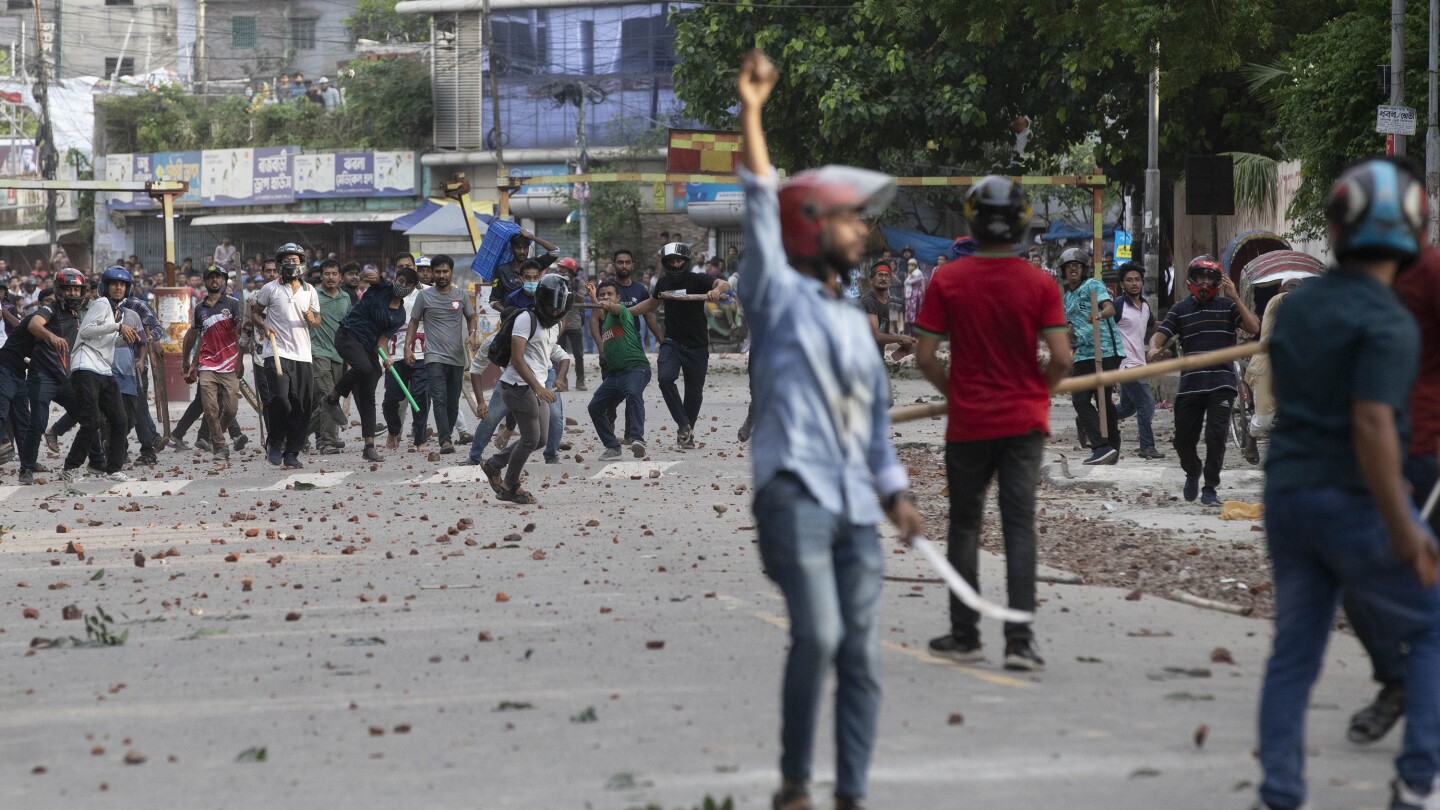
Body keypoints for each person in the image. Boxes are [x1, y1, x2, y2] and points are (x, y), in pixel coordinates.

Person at [735, 50, 923, 810]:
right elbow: (756, 199)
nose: (860, 229)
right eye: (847, 215)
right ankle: (793, 781)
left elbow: (874, 427)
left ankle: (849, 793)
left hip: (854, 508)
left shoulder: (856, 323)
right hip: (793, 495)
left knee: (862, 656)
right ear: (809, 226)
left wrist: (897, 492)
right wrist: (752, 111)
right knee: (816, 635)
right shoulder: (774, 293)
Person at [1255, 157, 1440, 810]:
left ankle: (1279, 793)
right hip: (1355, 499)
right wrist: (1404, 528)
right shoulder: (1389, 322)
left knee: (1295, 650)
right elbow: (1371, 425)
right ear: (1416, 237)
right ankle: (1417, 782)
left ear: (1333, 230)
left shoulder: (1297, 309)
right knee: (1430, 626)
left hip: (1286, 496)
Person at [914, 176, 1072, 672]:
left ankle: (965, 635)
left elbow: (924, 356)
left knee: (964, 526)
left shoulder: (948, 280)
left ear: (972, 221)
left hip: (969, 423)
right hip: (1024, 422)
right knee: (1019, 527)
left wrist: (955, 391)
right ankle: (1019, 642)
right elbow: (1063, 359)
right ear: (1023, 221)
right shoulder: (1041, 282)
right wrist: (1036, 393)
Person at [1148, 255, 1259, 505]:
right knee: (1183, 439)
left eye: (1211, 278)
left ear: (1219, 281)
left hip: (1222, 382)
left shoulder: (1228, 306)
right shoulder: (1179, 309)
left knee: (1216, 436)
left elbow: (1252, 328)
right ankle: (1192, 470)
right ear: (1191, 278)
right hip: (1190, 385)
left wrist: (1236, 297)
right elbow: (1160, 335)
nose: (1206, 282)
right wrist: (1153, 349)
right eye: (1201, 277)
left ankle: (1210, 487)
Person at [479, 275, 572, 504]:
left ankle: (494, 464)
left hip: (537, 387)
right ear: (540, 300)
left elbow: (552, 354)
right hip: (518, 387)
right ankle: (510, 485)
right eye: (550, 307)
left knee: (540, 440)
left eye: (558, 309)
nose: (554, 312)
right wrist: (538, 388)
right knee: (531, 440)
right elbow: (518, 359)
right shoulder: (525, 319)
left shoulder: (553, 325)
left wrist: (557, 378)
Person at [320, 266, 416, 462]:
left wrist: (387, 357)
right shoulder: (383, 287)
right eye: (400, 280)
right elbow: (370, 276)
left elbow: (382, 341)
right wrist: (370, 275)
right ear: (395, 279)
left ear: (413, 288)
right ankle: (331, 399)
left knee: (370, 387)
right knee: (364, 368)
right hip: (348, 335)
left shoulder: (400, 316)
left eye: (408, 284)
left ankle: (369, 446)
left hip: (369, 347)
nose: (402, 286)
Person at [64, 266, 137, 483]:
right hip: (86, 366)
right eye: (114, 284)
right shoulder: (101, 303)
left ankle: (113, 469)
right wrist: (117, 327)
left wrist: (125, 337)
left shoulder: (115, 310)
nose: (118, 288)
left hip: (103, 368)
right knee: (92, 421)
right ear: (105, 287)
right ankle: (70, 467)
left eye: (122, 285)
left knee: (120, 419)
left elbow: (104, 339)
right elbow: (85, 332)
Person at [653, 242, 729, 449]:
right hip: (672, 343)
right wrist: (624, 310)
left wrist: (717, 290)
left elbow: (723, 284)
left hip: (697, 346)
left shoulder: (698, 280)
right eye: (671, 261)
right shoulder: (662, 284)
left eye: (679, 261)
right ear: (666, 263)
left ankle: (686, 434)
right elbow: (651, 305)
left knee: (694, 393)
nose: (675, 265)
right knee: (665, 379)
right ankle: (683, 424)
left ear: (685, 262)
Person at [251, 242, 321, 469]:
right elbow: (255, 314)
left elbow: (317, 321)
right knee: (279, 399)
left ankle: (292, 452)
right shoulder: (270, 289)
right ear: (280, 263)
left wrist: (312, 319)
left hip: (303, 355)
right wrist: (264, 326)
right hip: (277, 353)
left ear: (302, 263)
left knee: (301, 406)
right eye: (287, 260)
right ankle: (274, 442)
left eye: (295, 260)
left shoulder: (310, 291)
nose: (291, 264)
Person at [406, 255, 478, 454]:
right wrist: (408, 347)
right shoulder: (424, 296)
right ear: (432, 273)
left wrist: (472, 335)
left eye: (445, 271)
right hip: (433, 356)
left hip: (457, 357)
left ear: (451, 272)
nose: (441, 275)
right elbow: (413, 322)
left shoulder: (461, 296)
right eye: (437, 272)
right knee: (439, 398)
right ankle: (445, 440)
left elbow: (472, 317)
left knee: (453, 402)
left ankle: (447, 434)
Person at [588, 249, 661, 442]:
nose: (624, 266)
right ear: (614, 264)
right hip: (613, 366)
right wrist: (596, 300)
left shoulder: (623, 309)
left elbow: (616, 309)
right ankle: (611, 441)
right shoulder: (604, 308)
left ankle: (635, 437)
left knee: (633, 394)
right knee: (599, 405)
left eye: (627, 262)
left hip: (634, 364)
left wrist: (663, 341)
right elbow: (597, 316)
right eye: (620, 262)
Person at [1061, 247, 1125, 465]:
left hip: (1105, 349)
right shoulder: (1067, 296)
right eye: (1069, 267)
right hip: (1084, 352)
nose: (1073, 270)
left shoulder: (1093, 285)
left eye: (1077, 266)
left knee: (1102, 398)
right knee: (1080, 399)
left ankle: (1109, 447)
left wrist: (1098, 315)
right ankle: (1104, 446)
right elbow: (1070, 327)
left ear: (1083, 269)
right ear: (1063, 270)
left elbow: (1110, 309)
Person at [182, 266, 242, 463]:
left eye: (218, 277)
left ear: (224, 281)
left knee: (231, 409)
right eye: (211, 278)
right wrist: (188, 361)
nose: (215, 281)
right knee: (210, 409)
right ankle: (220, 445)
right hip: (207, 365)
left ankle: (218, 435)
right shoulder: (200, 308)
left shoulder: (233, 304)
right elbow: (195, 335)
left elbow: (242, 331)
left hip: (230, 364)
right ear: (205, 282)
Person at [1113, 263, 1163, 459]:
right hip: (1126, 364)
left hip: (1139, 363)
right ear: (1122, 284)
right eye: (1129, 280)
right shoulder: (1117, 306)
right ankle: (1147, 447)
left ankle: (1088, 420)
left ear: (1142, 283)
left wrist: (1174, 325)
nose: (1134, 283)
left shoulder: (1144, 306)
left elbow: (1151, 325)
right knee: (1146, 402)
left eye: (1137, 280)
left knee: (1128, 407)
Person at [384, 255, 432, 450]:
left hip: (421, 352)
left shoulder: (429, 292)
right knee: (391, 399)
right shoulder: (386, 294)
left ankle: (420, 439)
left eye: (408, 266)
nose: (405, 269)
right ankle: (394, 430)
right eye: (400, 267)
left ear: (415, 268)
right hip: (394, 354)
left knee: (421, 396)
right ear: (395, 271)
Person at [307, 259, 351, 454]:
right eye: (327, 274)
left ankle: (294, 435)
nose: (331, 277)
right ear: (321, 276)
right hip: (318, 352)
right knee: (327, 396)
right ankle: (328, 442)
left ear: (340, 277)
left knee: (329, 400)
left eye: (334, 274)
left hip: (339, 354)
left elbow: (349, 325)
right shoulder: (312, 295)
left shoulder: (346, 298)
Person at [859, 262, 914, 359]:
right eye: (880, 275)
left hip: (877, 356)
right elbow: (875, 335)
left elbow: (883, 330)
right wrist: (900, 338)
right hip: (865, 358)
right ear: (871, 279)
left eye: (887, 276)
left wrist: (901, 339)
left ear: (891, 281)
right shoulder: (869, 301)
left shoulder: (885, 300)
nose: (883, 279)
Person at [491, 229, 559, 305]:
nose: (522, 251)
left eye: (525, 248)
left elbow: (555, 252)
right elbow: (493, 300)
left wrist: (532, 237)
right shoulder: (502, 270)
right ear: (511, 250)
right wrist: (508, 312)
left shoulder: (535, 263)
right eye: (518, 248)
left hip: (534, 314)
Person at [556, 257, 587, 390]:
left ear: (570, 270)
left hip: (574, 322)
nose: (560, 271)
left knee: (578, 354)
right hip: (559, 322)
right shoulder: (556, 281)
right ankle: (562, 381)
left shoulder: (579, 282)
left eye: (563, 268)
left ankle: (580, 381)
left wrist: (570, 290)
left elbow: (581, 298)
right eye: (560, 268)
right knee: (560, 354)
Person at [903, 257, 925, 334]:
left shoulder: (918, 272)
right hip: (910, 298)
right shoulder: (911, 274)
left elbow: (909, 282)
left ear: (915, 266)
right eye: (909, 265)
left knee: (915, 317)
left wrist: (908, 277)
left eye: (912, 265)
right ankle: (913, 335)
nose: (910, 267)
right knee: (910, 318)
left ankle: (916, 335)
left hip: (916, 298)